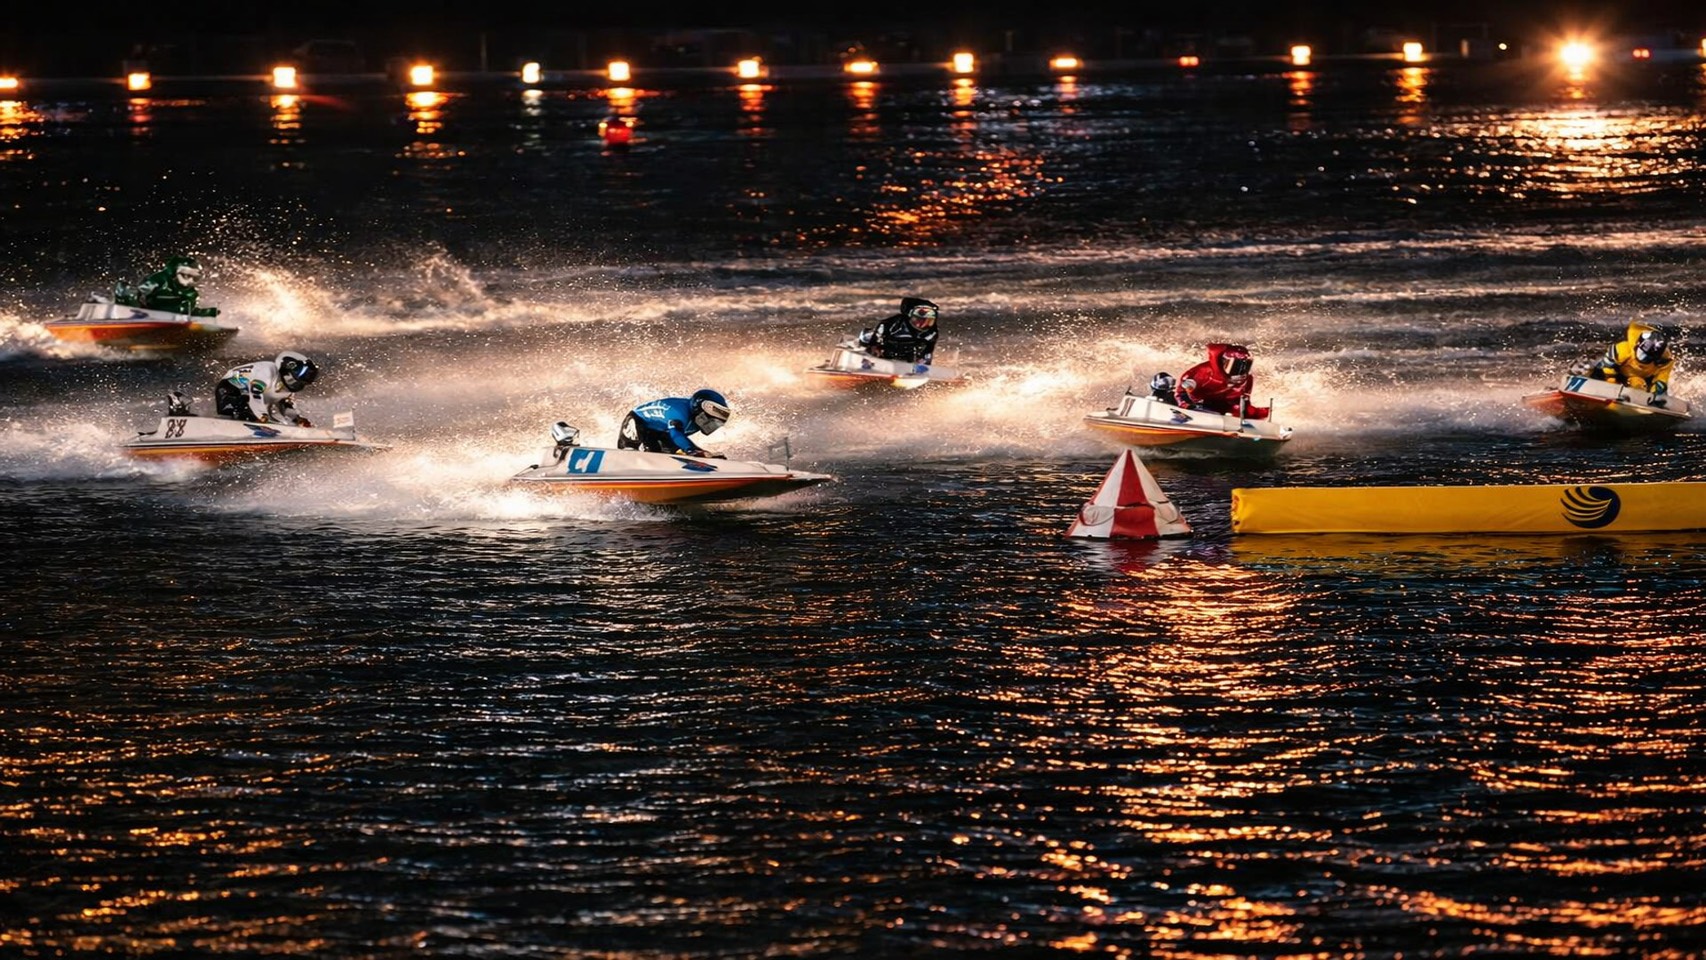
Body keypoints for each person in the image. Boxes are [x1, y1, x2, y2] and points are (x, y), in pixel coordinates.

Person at [1582, 320, 1676, 406]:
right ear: (1637, 345)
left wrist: (1655, 397)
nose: (1643, 358)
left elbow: (1660, 382)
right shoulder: (1622, 350)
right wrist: (1611, 385)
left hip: (1641, 381)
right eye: (1642, 353)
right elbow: (1606, 369)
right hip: (1614, 375)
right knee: (1597, 370)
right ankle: (1583, 387)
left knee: (1638, 384)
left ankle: (1634, 403)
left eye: (1649, 357)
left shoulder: (1664, 362)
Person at [214, 351, 320, 426]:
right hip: (229, 389)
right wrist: (262, 416)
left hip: (247, 397)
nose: (296, 384)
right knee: (245, 410)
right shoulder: (267, 371)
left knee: (273, 419)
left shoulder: (285, 386)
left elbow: (286, 405)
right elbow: (255, 395)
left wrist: (297, 419)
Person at [618, 388, 730, 458]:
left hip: (661, 430)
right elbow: (676, 435)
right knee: (630, 453)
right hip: (637, 421)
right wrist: (692, 450)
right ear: (700, 413)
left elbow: (679, 440)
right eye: (710, 420)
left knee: (666, 456)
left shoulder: (694, 421)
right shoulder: (678, 413)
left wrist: (702, 453)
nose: (710, 425)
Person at [1174, 342, 1270, 419]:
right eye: (1236, 366)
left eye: (1245, 366)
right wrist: (1186, 405)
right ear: (1223, 362)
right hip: (1195, 405)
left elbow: (1243, 401)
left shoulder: (1247, 379)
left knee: (1252, 412)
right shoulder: (1203, 372)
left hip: (1220, 409)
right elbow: (1182, 392)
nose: (1240, 371)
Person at [115, 255, 220, 317]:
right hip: (144, 313)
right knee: (126, 290)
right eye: (186, 275)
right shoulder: (161, 279)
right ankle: (119, 318)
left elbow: (188, 312)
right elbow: (141, 291)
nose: (190, 280)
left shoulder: (191, 294)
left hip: (167, 320)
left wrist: (206, 312)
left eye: (195, 278)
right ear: (175, 272)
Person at [857, 297, 939, 365]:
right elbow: (874, 343)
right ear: (910, 316)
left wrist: (924, 367)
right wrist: (873, 349)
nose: (922, 325)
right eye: (919, 321)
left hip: (908, 352)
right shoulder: (891, 324)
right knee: (869, 341)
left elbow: (928, 352)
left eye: (928, 321)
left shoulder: (931, 333)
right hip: (886, 347)